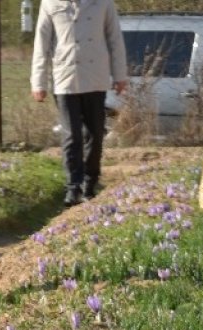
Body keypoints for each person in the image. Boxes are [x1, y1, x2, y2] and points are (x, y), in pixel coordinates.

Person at [30, 0, 129, 206]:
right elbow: (42, 43)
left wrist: (120, 75)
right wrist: (38, 82)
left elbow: (115, 39)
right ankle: (72, 186)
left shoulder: (103, 3)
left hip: (96, 78)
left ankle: (89, 183)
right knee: (71, 135)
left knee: (95, 133)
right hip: (65, 77)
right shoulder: (50, 3)